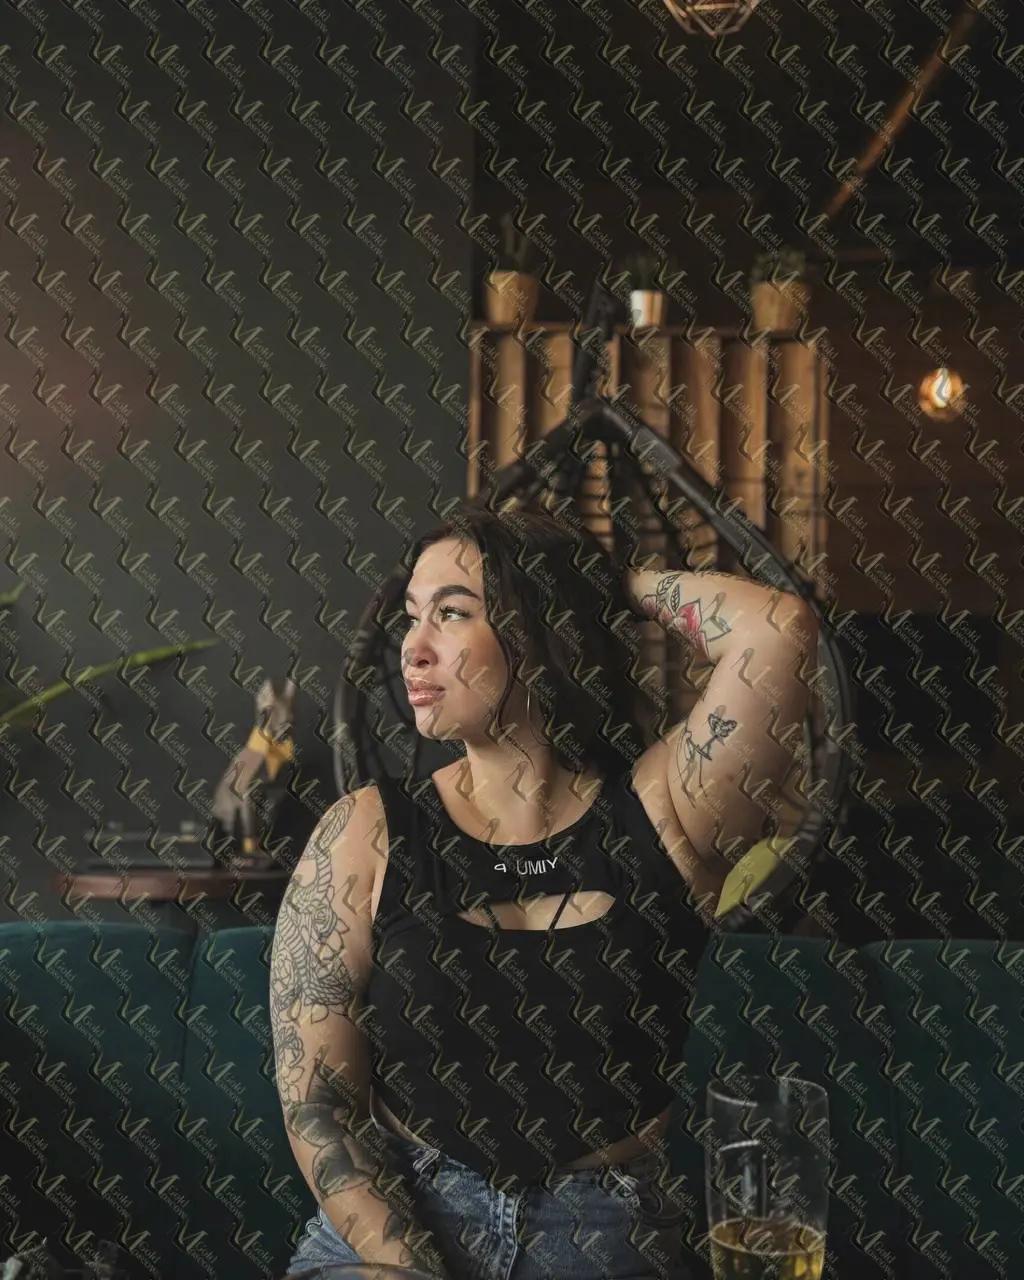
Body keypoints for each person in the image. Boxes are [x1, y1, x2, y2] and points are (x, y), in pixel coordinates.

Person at [271, 501, 818, 1279]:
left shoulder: (668, 812)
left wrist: (591, 581)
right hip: (396, 1223)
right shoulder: (363, 834)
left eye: (452, 613)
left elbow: (780, 629)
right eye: (412, 617)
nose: (413, 648)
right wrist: (408, 1269)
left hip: (601, 1234)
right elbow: (319, 1108)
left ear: (535, 628)